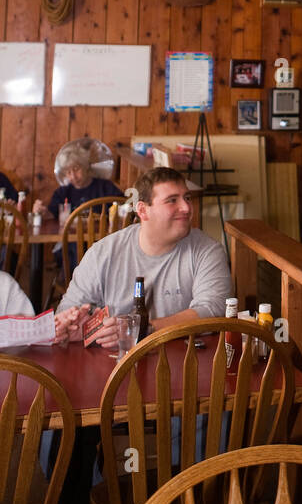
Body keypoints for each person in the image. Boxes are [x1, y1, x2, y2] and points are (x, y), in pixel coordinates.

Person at [54, 166, 233, 350]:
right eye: (172, 200)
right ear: (143, 210)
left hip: (184, 367)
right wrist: (75, 327)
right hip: (115, 371)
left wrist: (142, 329)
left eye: (187, 198)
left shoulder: (208, 251)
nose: (186, 207)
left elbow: (213, 310)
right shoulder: (103, 253)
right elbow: (67, 311)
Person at [33, 142, 124, 220]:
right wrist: (42, 212)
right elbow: (51, 216)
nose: (73, 176)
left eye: (76, 169)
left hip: (103, 238)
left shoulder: (105, 187)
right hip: (70, 239)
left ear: (85, 166)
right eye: (68, 172)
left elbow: (123, 205)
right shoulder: (62, 193)